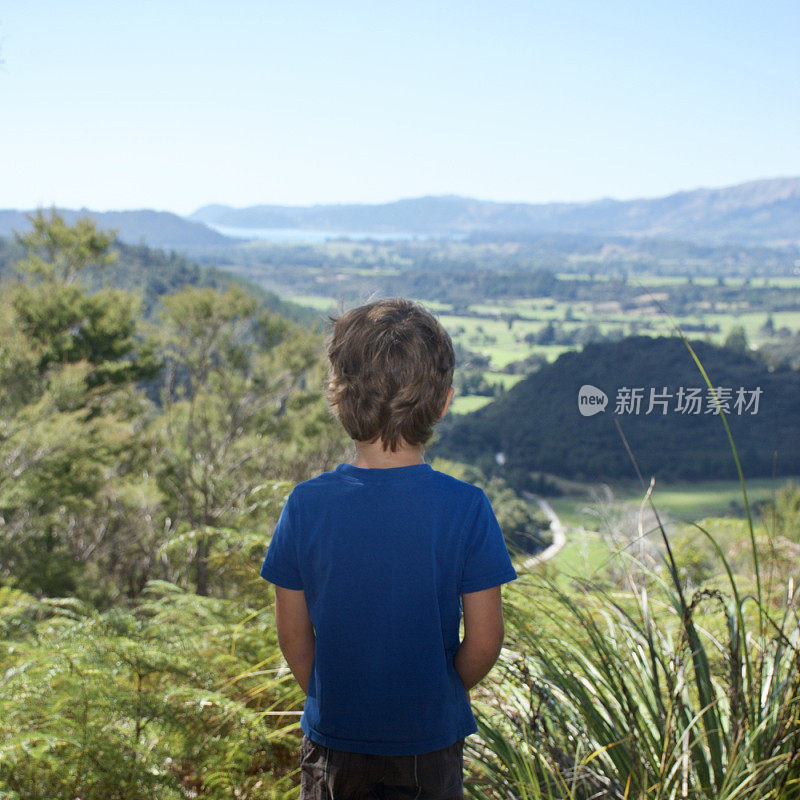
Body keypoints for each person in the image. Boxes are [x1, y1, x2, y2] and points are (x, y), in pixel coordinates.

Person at [259, 298, 518, 799]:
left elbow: (293, 635)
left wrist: (338, 700)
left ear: (337, 398)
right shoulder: (466, 507)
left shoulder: (305, 506)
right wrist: (435, 694)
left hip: (334, 741)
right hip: (429, 747)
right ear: (444, 402)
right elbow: (485, 641)